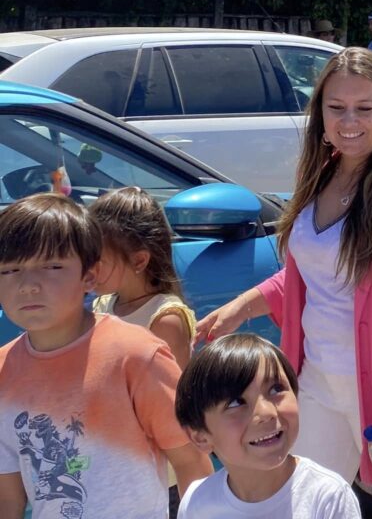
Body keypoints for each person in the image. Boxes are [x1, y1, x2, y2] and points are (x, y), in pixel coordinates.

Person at [192, 48, 372, 519]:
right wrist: (245, 305)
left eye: (365, 109)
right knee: (302, 504)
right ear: (319, 109)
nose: (349, 121)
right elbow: (314, 274)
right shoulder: (320, 177)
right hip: (314, 382)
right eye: (336, 107)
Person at [0, 193, 213, 519]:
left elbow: (191, 461)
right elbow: (8, 496)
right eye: (12, 270)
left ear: (89, 276)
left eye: (52, 266)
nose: (29, 284)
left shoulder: (137, 354)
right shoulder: (3, 371)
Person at [174, 333, 362, 519]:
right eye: (236, 403)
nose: (266, 413)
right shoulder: (196, 504)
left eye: (276, 389)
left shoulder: (328, 498)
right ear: (200, 437)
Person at [90, 186, 196, 370]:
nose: (88, 269)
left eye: (98, 261)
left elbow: (173, 393)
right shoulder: (101, 305)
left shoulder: (164, 319)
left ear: (139, 261)